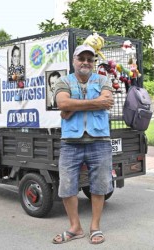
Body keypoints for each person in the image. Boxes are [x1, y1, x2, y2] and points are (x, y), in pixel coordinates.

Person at [52, 44, 114, 245]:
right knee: (67, 185)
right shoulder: (63, 81)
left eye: (90, 59)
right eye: (82, 58)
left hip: (100, 141)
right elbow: (62, 104)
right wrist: (95, 102)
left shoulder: (103, 80)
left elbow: (106, 101)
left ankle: (95, 227)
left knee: (100, 185)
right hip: (71, 142)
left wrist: (72, 106)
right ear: (74, 61)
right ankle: (75, 227)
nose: (86, 62)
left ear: (94, 62)